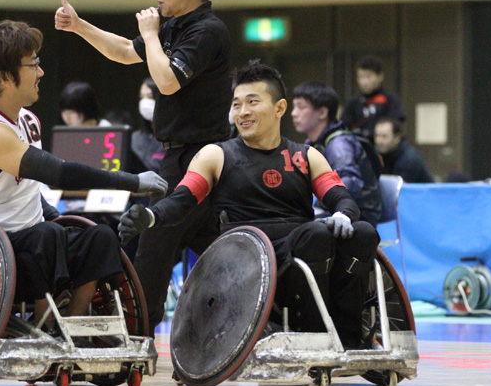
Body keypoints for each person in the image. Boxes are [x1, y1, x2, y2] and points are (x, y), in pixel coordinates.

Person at [118, 61, 380, 348]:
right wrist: (151, 216)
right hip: (247, 256)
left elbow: (341, 197)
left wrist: (343, 213)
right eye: (236, 104)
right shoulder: (215, 155)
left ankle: (350, 338)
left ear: (279, 108)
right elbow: (182, 201)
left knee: (364, 232)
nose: (242, 112)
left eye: (252, 103)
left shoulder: (306, 156)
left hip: (301, 244)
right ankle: (314, 337)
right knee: (316, 235)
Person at [0, 20, 167, 324]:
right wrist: (133, 183)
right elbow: (59, 173)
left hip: (30, 243)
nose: (41, 72)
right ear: (4, 77)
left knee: (99, 236)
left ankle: (69, 330)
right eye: (33, 64)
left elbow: (28, 193)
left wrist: (58, 219)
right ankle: (45, 322)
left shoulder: (28, 120)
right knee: (47, 235)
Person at [55, 0, 232, 335]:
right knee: (208, 247)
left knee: (153, 250)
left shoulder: (207, 31)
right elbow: (122, 50)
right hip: (180, 154)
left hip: (200, 156)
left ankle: (138, 340)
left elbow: (166, 83)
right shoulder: (173, 27)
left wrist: (151, 36)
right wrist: (79, 26)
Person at [291, 81, 383, 226]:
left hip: (357, 217)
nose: (293, 113)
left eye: (301, 107)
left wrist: (319, 209)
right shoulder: (313, 143)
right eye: (294, 106)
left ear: (322, 112)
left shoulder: (339, 144)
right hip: (333, 212)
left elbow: (349, 183)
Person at [340, 56, 405, 141]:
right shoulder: (353, 103)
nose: (364, 82)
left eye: (368, 77)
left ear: (380, 77)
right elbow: (344, 127)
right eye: (361, 77)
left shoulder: (391, 100)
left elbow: (396, 125)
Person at [374, 117, 434, 183]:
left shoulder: (409, 159)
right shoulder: (383, 154)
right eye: (377, 136)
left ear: (397, 138)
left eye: (384, 136)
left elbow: (399, 189)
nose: (379, 141)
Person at [130, 77, 165, 173]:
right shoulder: (135, 138)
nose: (145, 102)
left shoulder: (173, 139)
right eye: (142, 97)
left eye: (150, 97)